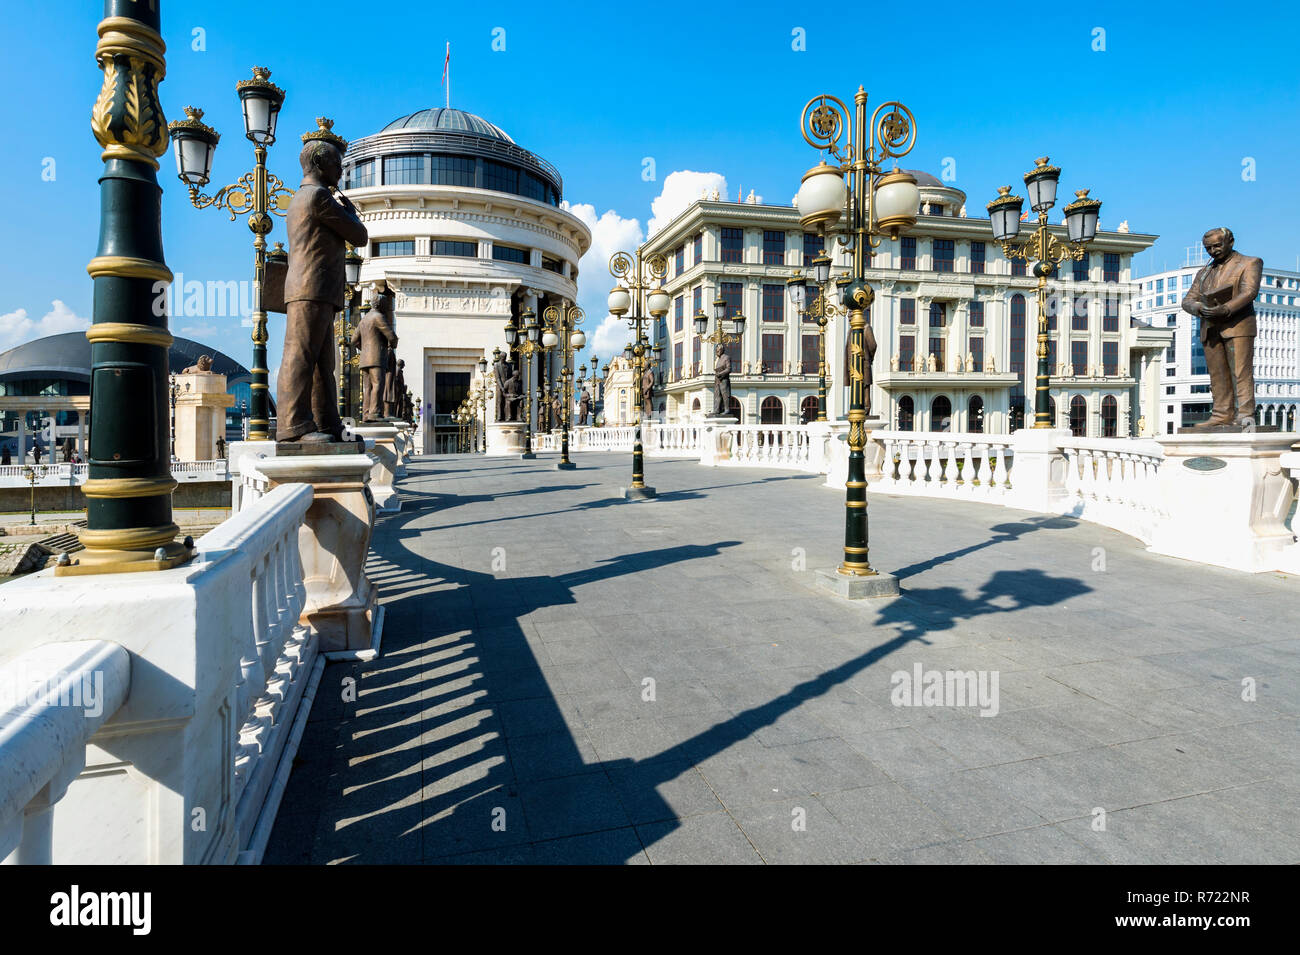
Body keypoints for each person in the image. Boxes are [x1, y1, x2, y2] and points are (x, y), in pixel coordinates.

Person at [277, 120, 368, 442]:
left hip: (315, 289)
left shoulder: (305, 197)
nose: (340, 171)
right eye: (336, 164)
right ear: (319, 164)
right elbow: (359, 236)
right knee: (301, 355)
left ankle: (326, 424)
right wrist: (353, 213)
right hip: (310, 287)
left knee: (322, 362)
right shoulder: (318, 197)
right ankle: (291, 426)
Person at [1181, 227, 1262, 430]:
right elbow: (1188, 300)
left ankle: (1245, 415)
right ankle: (1221, 414)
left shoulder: (1250, 263)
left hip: (1238, 326)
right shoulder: (1204, 272)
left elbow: (1249, 292)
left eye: (1217, 246)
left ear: (1231, 242)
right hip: (1210, 328)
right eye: (1208, 248)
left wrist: (1225, 309)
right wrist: (1199, 307)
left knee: (1240, 372)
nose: (1213, 251)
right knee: (1217, 374)